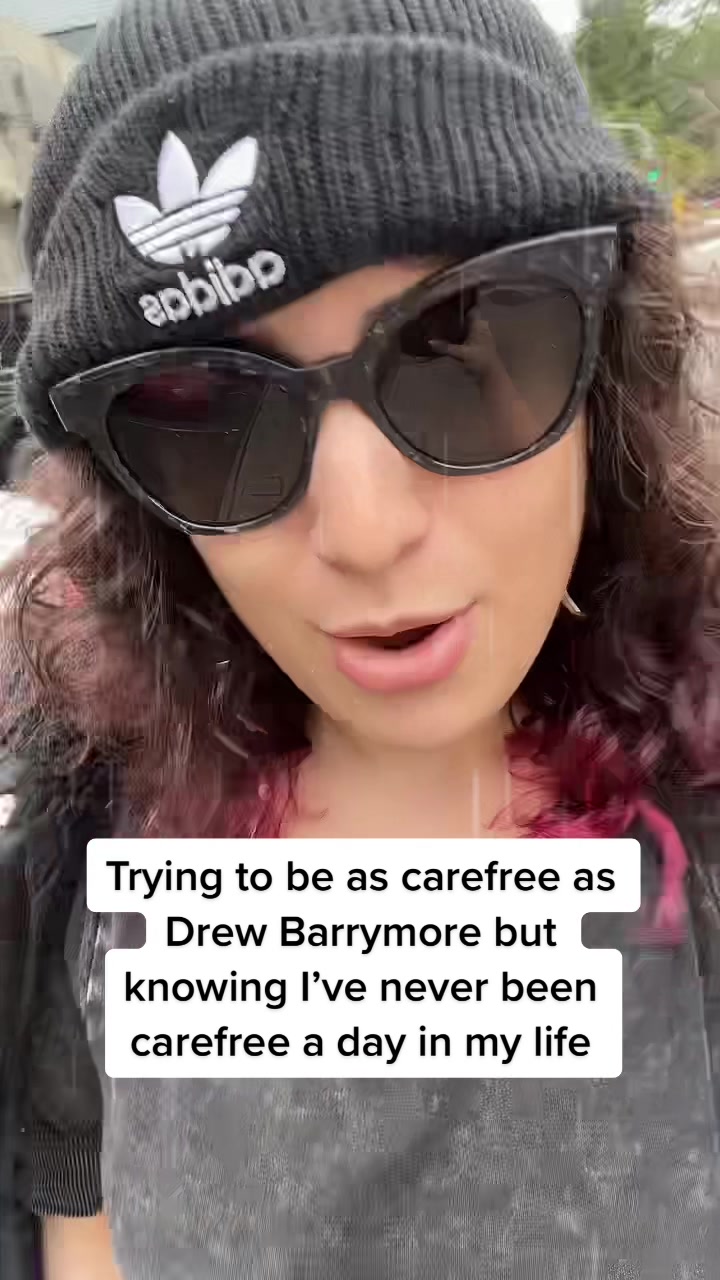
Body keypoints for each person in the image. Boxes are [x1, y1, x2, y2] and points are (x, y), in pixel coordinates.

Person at [1, 0, 719, 1276]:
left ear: (606, 372)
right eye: (209, 415)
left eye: (465, 345)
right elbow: (83, 1204)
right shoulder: (96, 806)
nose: (367, 531)